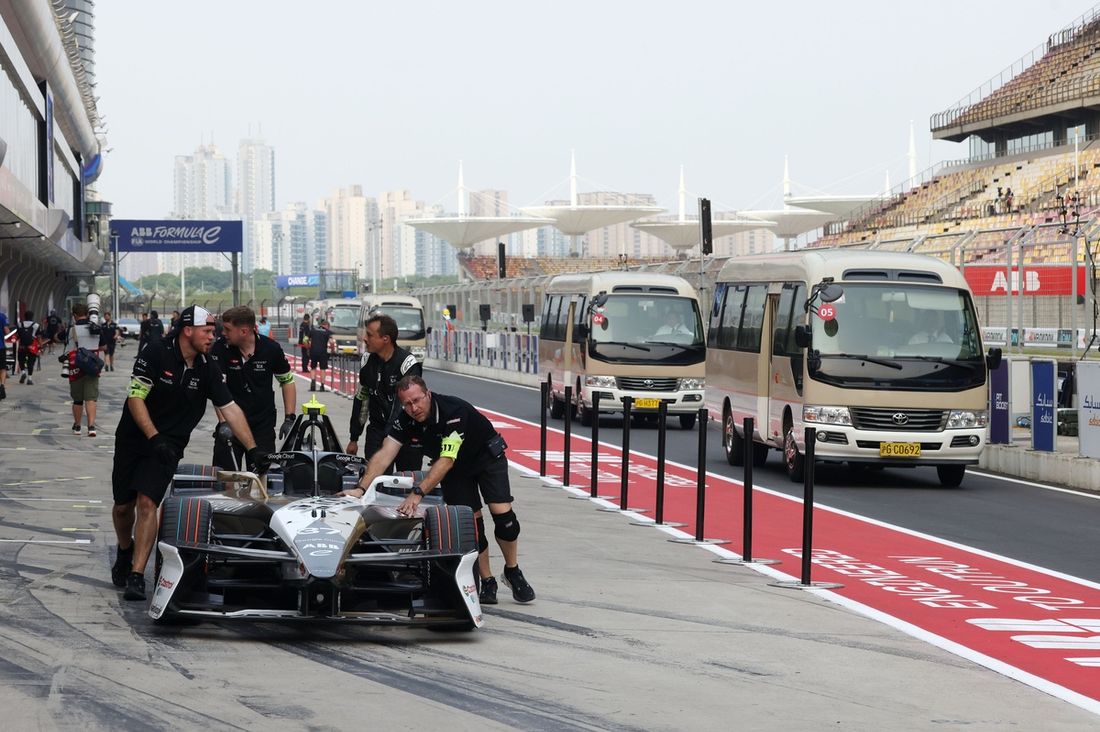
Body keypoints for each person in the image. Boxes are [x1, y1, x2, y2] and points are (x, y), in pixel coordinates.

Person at [110, 305, 268, 602]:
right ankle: (124, 548)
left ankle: (136, 574)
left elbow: (230, 409)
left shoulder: (208, 367)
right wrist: (152, 436)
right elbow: (135, 398)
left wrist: (254, 448)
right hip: (135, 437)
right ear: (188, 331)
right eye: (207, 331)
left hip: (168, 445)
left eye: (214, 331)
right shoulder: (155, 353)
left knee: (147, 503)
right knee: (123, 506)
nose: (213, 337)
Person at [340, 375, 536, 605]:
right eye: (407, 404)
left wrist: (419, 492)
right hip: (455, 470)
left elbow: (446, 459)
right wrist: (361, 488)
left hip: (484, 458)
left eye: (417, 400)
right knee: (473, 526)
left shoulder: (453, 411)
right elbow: (384, 455)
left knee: (505, 521)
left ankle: (512, 571)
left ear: (428, 394)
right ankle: (488, 580)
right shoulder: (404, 419)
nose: (413, 408)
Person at [210, 306, 297, 469]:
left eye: (227, 329)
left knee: (261, 481)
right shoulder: (219, 349)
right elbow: (217, 388)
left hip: (262, 426)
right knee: (224, 480)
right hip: (230, 423)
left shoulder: (271, 349)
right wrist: (223, 422)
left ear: (243, 331)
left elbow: (287, 381)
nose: (223, 333)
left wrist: (289, 418)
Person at [346, 313, 423, 471]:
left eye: (370, 335)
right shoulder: (367, 361)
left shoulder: (407, 364)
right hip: (377, 432)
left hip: (406, 434)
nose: (364, 338)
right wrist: (354, 437)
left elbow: (404, 405)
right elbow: (362, 398)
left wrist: (391, 436)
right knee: (374, 484)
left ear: (385, 339)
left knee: (406, 486)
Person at [64, 303, 101, 437]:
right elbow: (103, 346)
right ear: (88, 313)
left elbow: (65, 345)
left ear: (74, 315)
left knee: (78, 399)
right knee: (91, 398)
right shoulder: (95, 329)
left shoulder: (71, 330)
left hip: (75, 367)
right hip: (92, 366)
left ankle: (77, 426)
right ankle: (91, 427)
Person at [15, 310, 40, 385]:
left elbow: (17, 336)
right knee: (31, 362)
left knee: (21, 360)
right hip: (32, 347)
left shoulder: (19, 324)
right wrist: (40, 346)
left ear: (24, 316)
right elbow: (38, 337)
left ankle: (23, 372)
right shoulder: (36, 325)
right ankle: (29, 379)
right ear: (32, 317)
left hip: (22, 346)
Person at [308, 319, 333, 391]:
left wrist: (308, 348)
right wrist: (332, 351)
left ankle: (313, 383)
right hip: (323, 352)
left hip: (313, 351)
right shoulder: (328, 332)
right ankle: (322, 386)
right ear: (327, 326)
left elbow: (307, 340)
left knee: (313, 367)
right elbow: (331, 343)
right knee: (323, 369)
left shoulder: (313, 330)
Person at [0, 308, 8, 400]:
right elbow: (6, 331)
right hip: (0, 346)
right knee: (2, 368)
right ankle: (2, 385)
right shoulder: (2, 316)